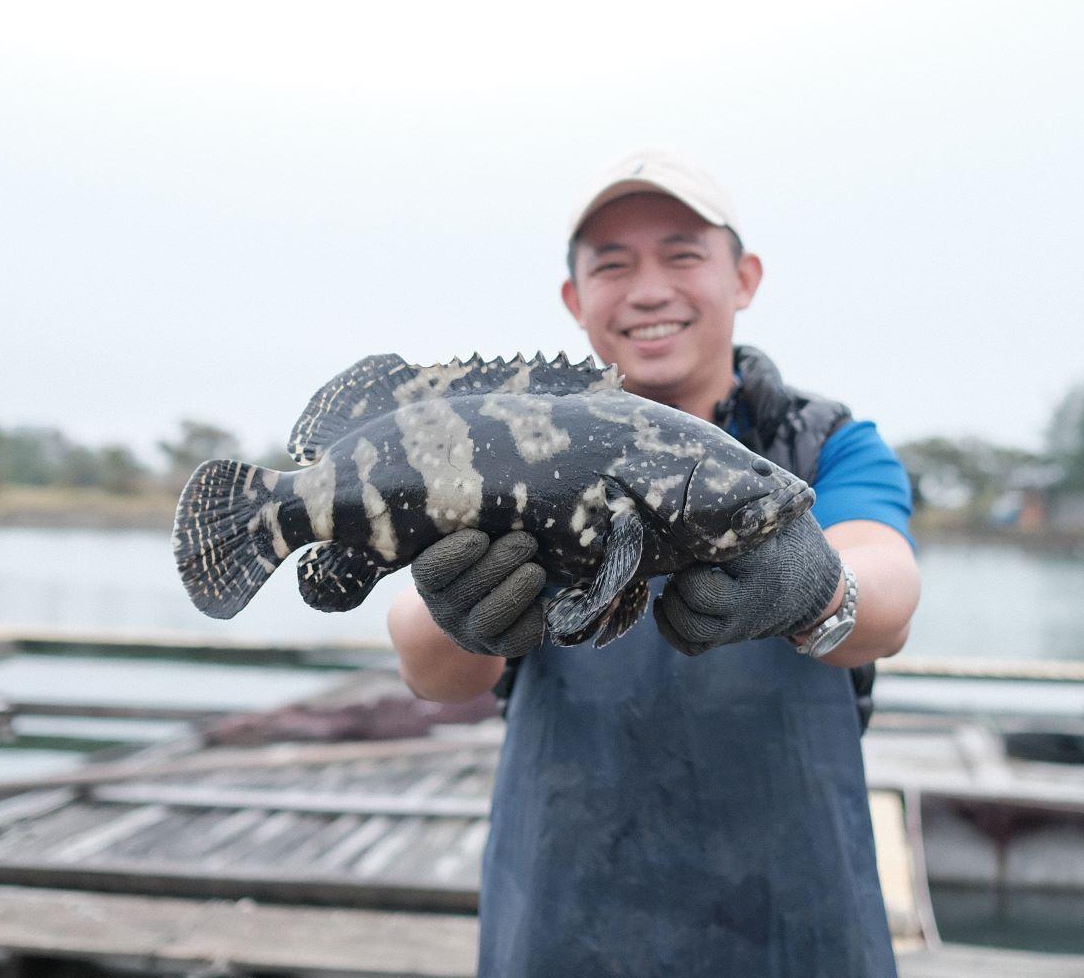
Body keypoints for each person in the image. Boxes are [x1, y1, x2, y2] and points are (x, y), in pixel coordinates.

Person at [387, 148, 920, 977]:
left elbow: (886, 595)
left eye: (682, 254)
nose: (648, 289)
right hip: (567, 917)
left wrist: (816, 587)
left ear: (742, 277)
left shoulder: (824, 446)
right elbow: (428, 666)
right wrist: (456, 608)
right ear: (575, 299)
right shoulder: (519, 452)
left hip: (796, 921)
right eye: (612, 265)